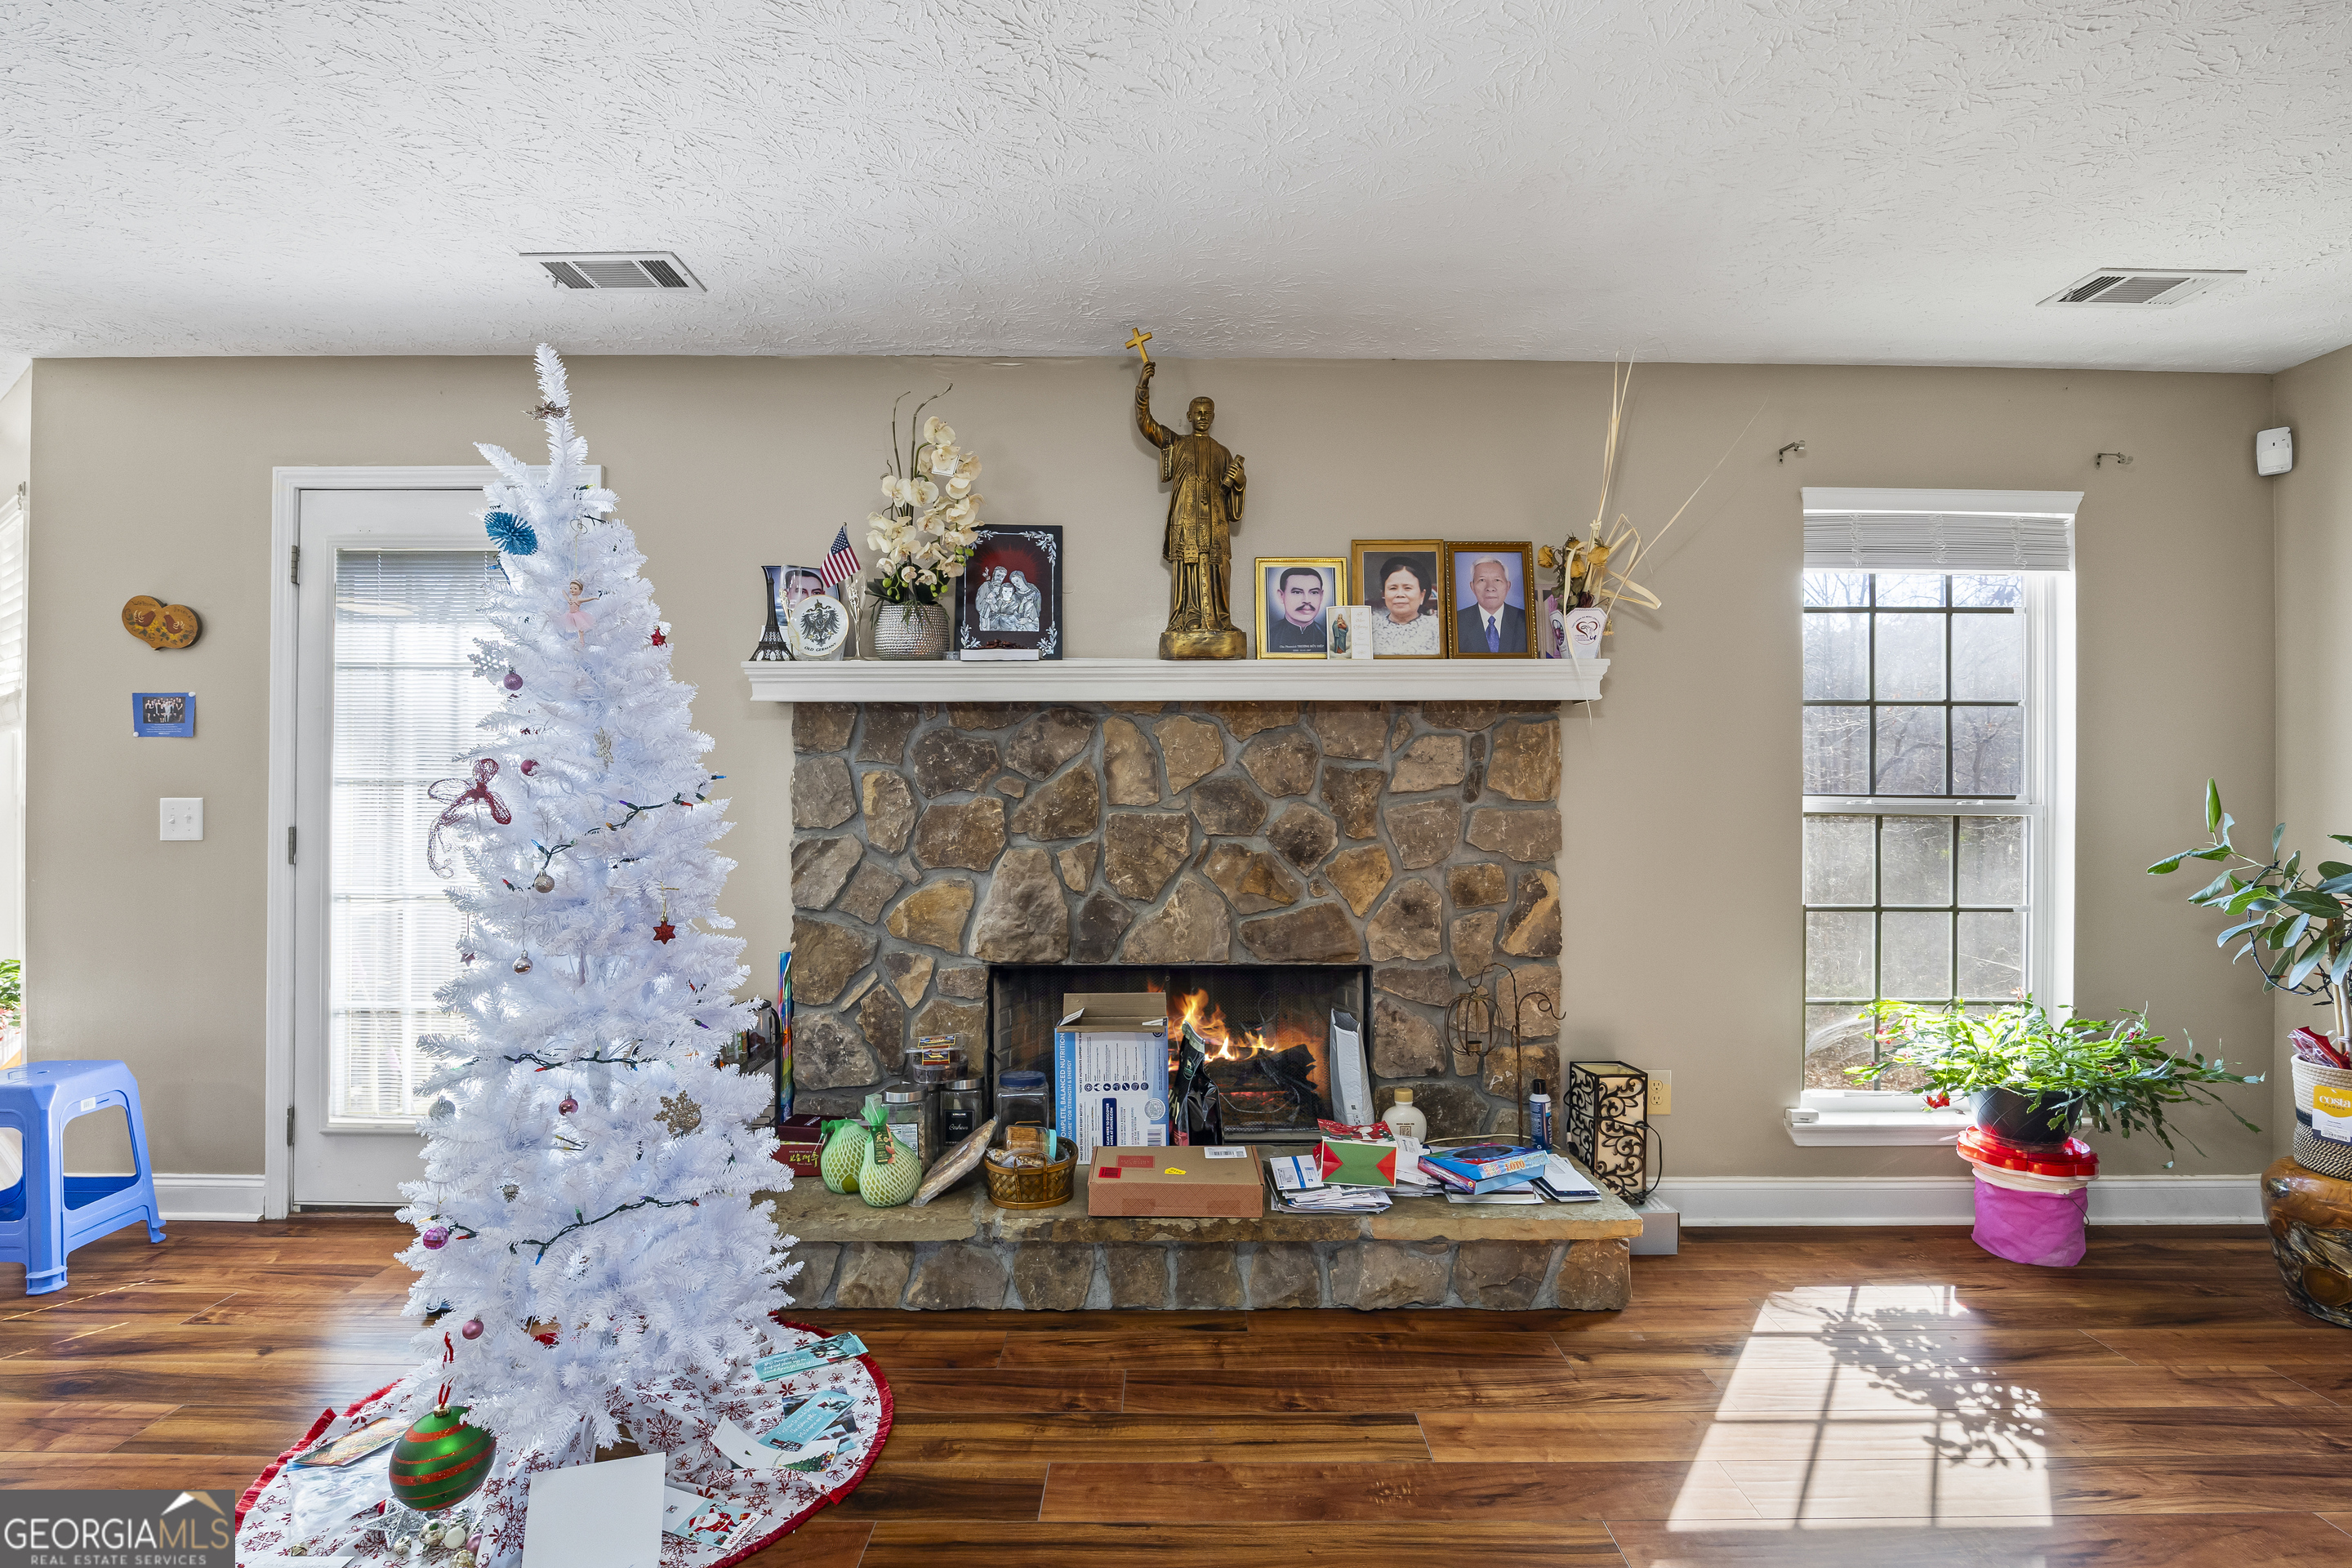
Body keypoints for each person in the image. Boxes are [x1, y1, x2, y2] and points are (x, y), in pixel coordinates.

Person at [1454, 555, 1526, 655]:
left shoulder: (1525, 620)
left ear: (1508, 586)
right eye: (1482, 580)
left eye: (1497, 580)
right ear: (1472, 587)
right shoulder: (1456, 621)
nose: (1490, 588)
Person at [1371, 555, 1441, 655]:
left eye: (1407, 588)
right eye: (1393, 588)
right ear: (1384, 594)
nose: (1400, 594)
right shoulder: (1371, 627)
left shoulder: (1437, 627)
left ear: (1422, 595)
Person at [1264, 565, 1329, 653]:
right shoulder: (1267, 637)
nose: (1307, 600)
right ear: (1281, 596)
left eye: (1314, 592)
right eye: (1297, 592)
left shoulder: (1330, 636)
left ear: (1321, 596)